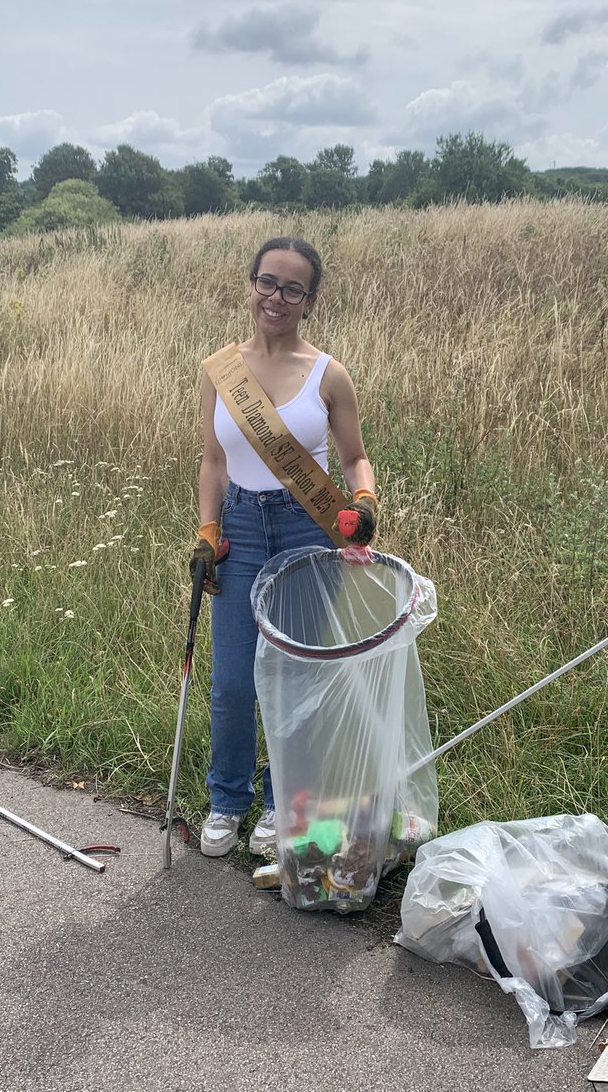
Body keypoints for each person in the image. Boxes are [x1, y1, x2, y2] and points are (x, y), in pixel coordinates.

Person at [191, 236, 378, 857]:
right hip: (240, 531)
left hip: (306, 530)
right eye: (267, 282)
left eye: (292, 288)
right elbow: (214, 459)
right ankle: (227, 801)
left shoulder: (329, 374)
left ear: (309, 301)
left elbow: (355, 459)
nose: (276, 297)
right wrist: (208, 531)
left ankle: (280, 802)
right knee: (233, 682)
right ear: (250, 285)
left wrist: (364, 503)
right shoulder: (220, 369)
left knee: (295, 679)